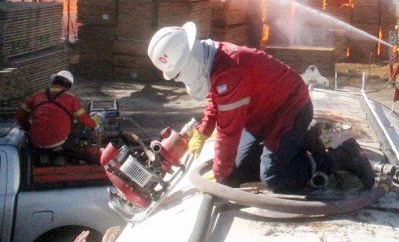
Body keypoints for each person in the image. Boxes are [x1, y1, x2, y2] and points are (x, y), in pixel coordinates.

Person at [148, 22, 374, 192]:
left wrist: (219, 177)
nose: (177, 78)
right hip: (262, 114)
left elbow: (228, 132)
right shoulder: (212, 59)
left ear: (188, 62)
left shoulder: (228, 71)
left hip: (289, 109)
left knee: (274, 177)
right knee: (238, 168)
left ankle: (341, 156)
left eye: (176, 74)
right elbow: (216, 99)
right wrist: (203, 131)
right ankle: (306, 139)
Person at [16, 70, 97, 150]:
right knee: (79, 128)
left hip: (35, 141)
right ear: (69, 85)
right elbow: (83, 119)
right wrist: (94, 124)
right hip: (57, 142)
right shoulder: (71, 98)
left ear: (54, 81)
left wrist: (29, 129)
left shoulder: (38, 95)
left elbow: (20, 114)